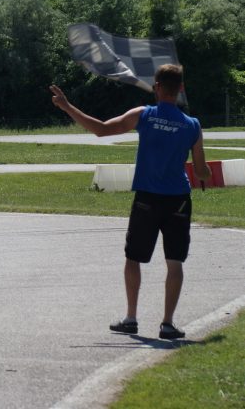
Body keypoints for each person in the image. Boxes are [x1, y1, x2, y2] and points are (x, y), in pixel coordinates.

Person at [49, 64, 211, 339]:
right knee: (175, 262)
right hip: (179, 200)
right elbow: (200, 170)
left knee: (133, 257)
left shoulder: (143, 115)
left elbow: (101, 129)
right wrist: (206, 173)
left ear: (156, 87)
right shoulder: (193, 125)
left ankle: (131, 318)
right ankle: (167, 324)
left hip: (147, 198)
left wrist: (67, 106)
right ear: (181, 88)